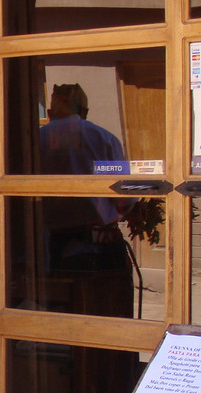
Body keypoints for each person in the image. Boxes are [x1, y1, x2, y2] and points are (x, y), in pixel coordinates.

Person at [38, 83, 135, 316]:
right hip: (98, 246)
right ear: (84, 112)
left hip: (48, 249)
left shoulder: (36, 140)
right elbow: (126, 195)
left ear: (50, 112)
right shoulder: (104, 138)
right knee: (109, 313)